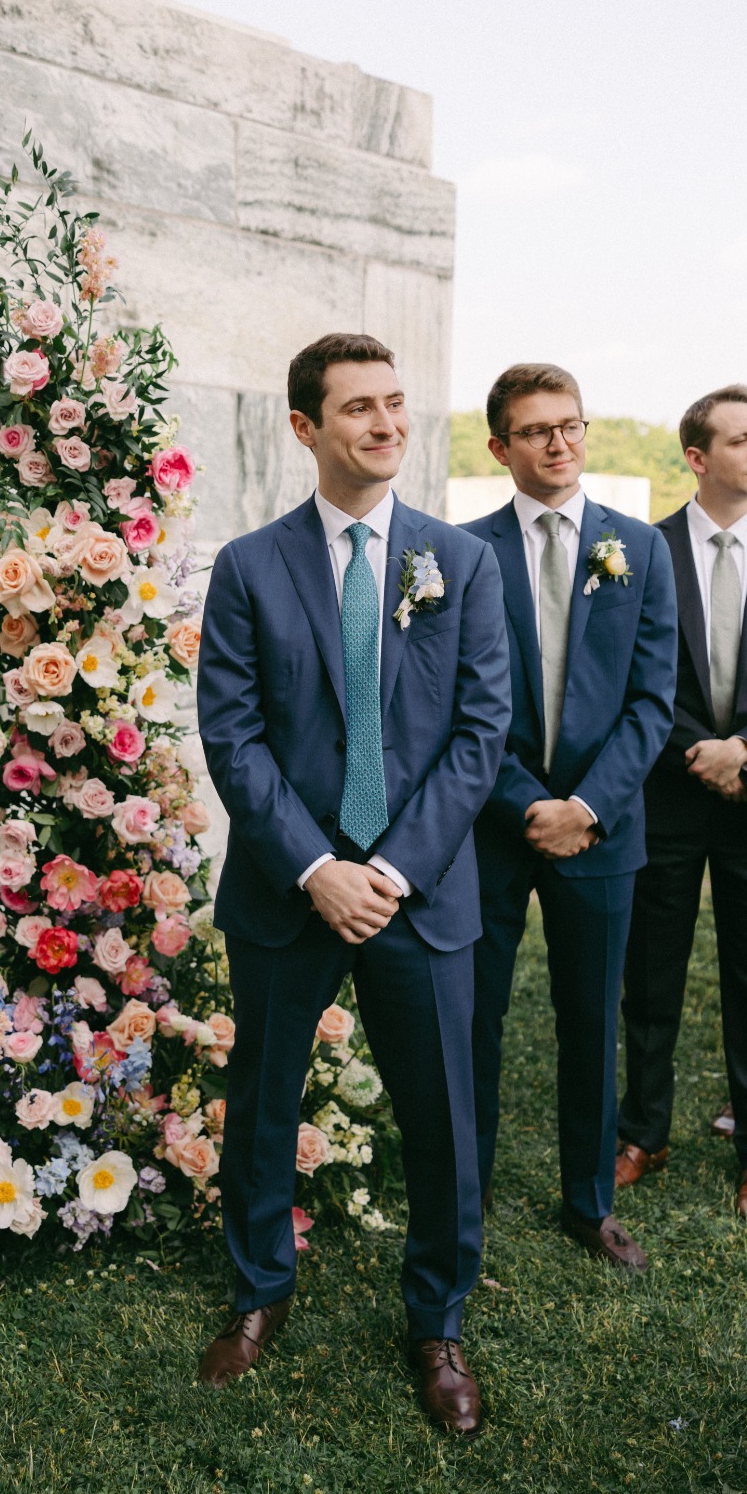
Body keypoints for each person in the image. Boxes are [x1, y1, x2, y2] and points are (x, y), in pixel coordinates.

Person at [196, 332, 511, 1433]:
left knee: (444, 1119)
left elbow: (480, 733)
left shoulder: (460, 564)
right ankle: (258, 1292)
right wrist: (318, 868)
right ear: (304, 429)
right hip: (290, 894)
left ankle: (439, 1321)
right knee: (265, 1105)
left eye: (395, 405)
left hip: (421, 896)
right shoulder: (248, 568)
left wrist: (390, 869)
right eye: (357, 409)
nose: (384, 425)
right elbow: (233, 739)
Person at [462, 364, 677, 1270]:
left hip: (602, 826)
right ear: (500, 446)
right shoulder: (459, 551)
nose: (559, 442)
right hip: (490, 829)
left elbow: (652, 701)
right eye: (537, 429)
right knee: (473, 1016)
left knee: (591, 1018)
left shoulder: (639, 548)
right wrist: (526, 804)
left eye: (571, 426)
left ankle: (589, 1203)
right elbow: (452, 703)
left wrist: (585, 806)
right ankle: (459, 1190)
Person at [616, 385, 747, 1219]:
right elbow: (632, 675)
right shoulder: (643, 549)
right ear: (697, 458)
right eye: (741, 439)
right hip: (666, 798)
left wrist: (745, 751)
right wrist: (692, 750)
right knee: (651, 975)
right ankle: (644, 1130)